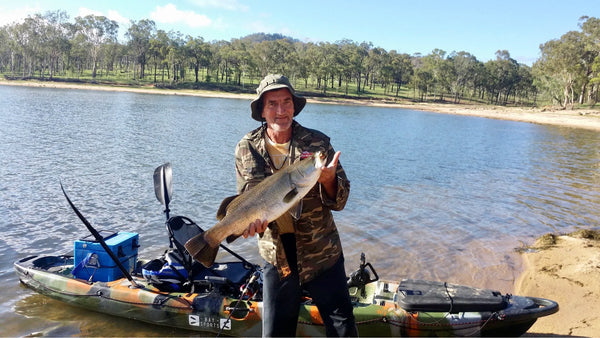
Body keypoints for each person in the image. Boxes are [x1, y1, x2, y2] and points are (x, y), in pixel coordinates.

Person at [235, 74, 358, 337]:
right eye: (272, 104)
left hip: (322, 253)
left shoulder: (317, 144)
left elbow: (342, 199)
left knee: (344, 330)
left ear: (294, 105)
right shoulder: (247, 147)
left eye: (287, 102)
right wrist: (250, 226)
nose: (281, 111)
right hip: (277, 257)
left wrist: (328, 181)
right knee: (276, 333)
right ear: (261, 110)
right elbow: (247, 197)